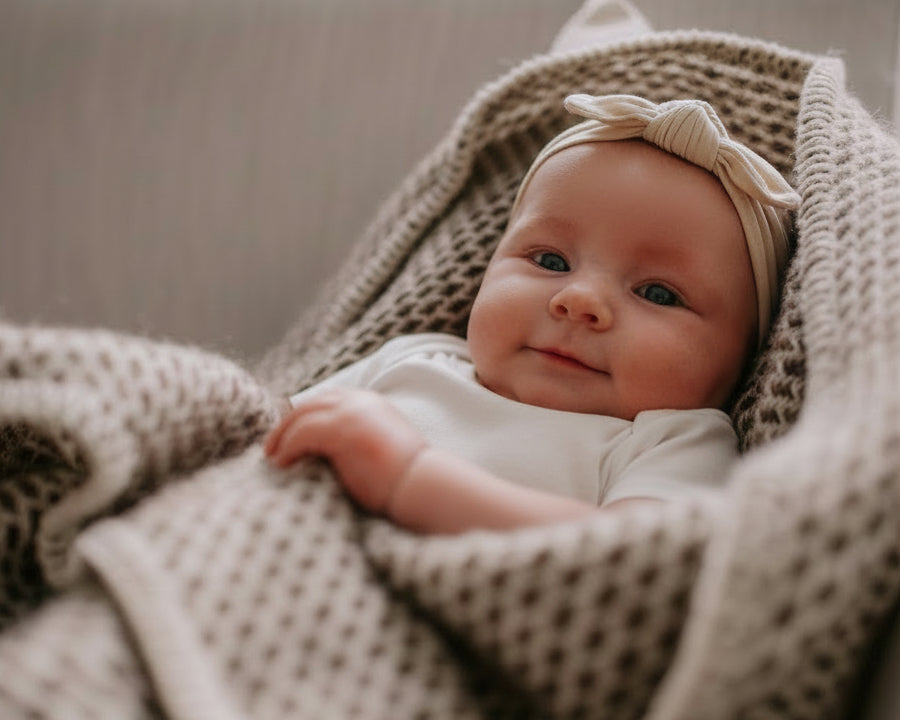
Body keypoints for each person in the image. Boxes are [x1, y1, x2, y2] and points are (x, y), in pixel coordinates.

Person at [264, 93, 800, 534]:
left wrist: (409, 479)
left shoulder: (671, 443)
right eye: (550, 260)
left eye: (658, 294)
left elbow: (631, 562)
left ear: (745, 356)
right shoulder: (414, 359)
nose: (580, 300)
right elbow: (270, 431)